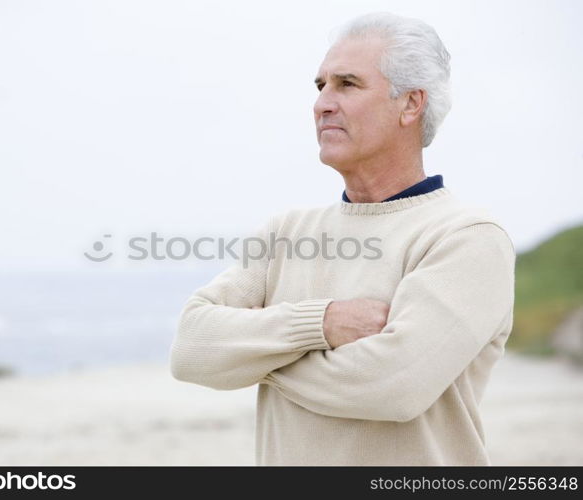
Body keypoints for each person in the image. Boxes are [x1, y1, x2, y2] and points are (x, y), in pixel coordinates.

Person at [169, 11, 516, 465]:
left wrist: (255, 357)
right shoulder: (286, 233)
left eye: (347, 84)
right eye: (320, 86)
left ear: (410, 104)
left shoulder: (467, 237)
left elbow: (392, 386)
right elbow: (190, 349)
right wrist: (322, 324)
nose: (322, 103)